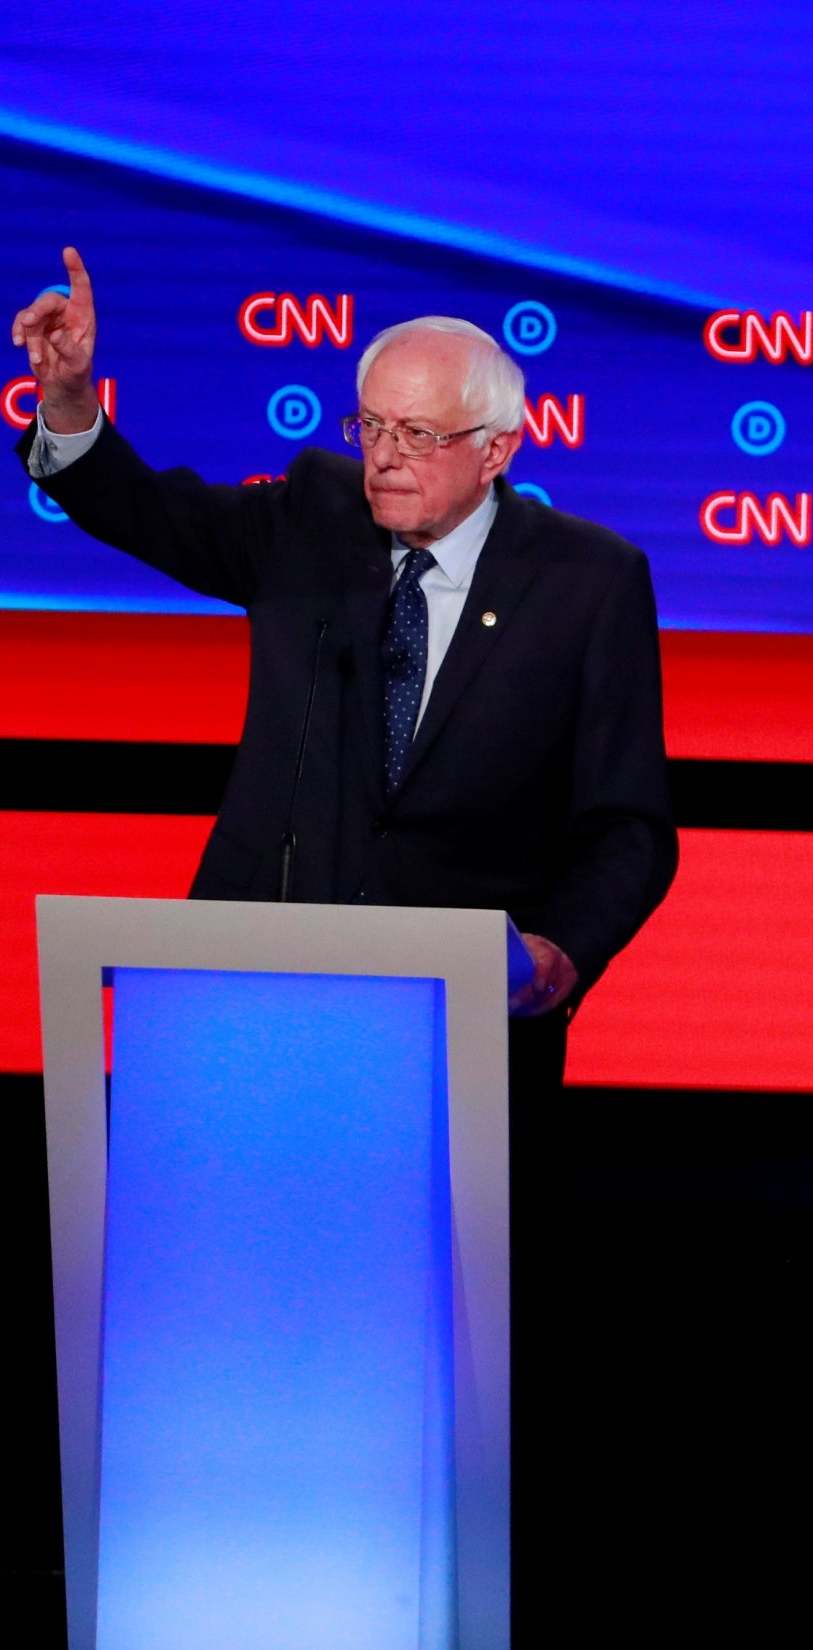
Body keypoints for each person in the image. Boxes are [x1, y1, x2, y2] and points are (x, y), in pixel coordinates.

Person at [11, 247, 678, 1090]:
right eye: (372, 426)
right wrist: (69, 400)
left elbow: (630, 827)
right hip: (259, 988)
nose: (385, 457)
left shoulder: (587, 581)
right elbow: (145, 511)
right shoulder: (313, 517)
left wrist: (562, 952)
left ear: (497, 449)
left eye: (420, 435)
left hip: (463, 1026)